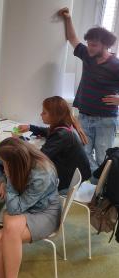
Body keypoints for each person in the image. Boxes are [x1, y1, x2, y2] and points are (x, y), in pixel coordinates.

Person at [0, 137, 61, 278]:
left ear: (14, 163)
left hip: (44, 211)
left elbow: (14, 208)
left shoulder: (42, 173)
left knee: (9, 224)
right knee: (0, 237)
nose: (3, 164)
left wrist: (9, 177)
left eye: (6, 163)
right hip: (22, 203)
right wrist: (1, 180)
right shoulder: (12, 154)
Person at [58, 8, 119, 171]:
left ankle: (100, 192)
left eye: (94, 45)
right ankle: (88, 187)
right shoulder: (86, 54)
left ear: (105, 45)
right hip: (84, 116)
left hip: (106, 120)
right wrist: (68, 18)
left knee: (103, 157)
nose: (90, 48)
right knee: (82, 154)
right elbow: (72, 38)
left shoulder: (116, 65)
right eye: (88, 44)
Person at [18, 96, 91, 192]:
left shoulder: (62, 135)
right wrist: (30, 127)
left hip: (67, 184)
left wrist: (21, 142)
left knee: (24, 173)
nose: (41, 114)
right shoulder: (66, 127)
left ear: (55, 116)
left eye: (44, 112)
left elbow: (40, 157)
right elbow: (48, 131)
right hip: (73, 175)